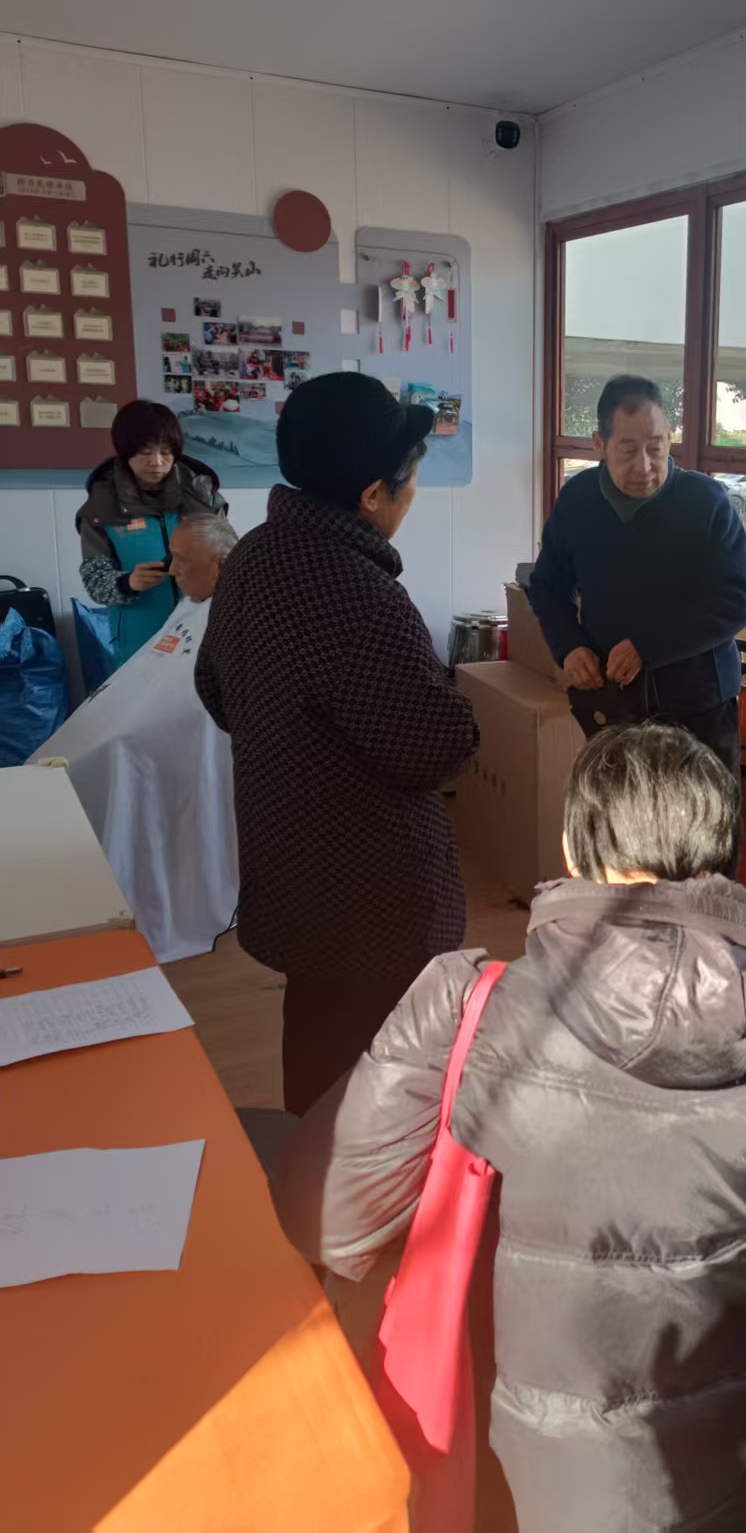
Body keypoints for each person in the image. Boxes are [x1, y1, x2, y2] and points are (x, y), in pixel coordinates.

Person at [270, 722, 746, 1533]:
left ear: (571, 846)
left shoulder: (473, 1005)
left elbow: (327, 1220)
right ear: (720, 851)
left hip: (520, 1492)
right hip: (737, 1477)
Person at [195, 374, 479, 1115]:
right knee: (385, 1083)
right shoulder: (357, 592)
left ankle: (307, 1171)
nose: (413, 496)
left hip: (291, 868)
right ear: (372, 495)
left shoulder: (254, 556)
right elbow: (440, 747)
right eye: (410, 481)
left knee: (317, 1049)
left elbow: (215, 689)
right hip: (372, 898)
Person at [527, 375, 746, 779]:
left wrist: (648, 646)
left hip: (699, 705)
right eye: (628, 449)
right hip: (614, 705)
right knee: (619, 813)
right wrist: (569, 646)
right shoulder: (579, 500)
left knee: (708, 814)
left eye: (655, 448)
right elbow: (548, 586)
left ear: (670, 438)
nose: (645, 466)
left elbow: (738, 599)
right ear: (599, 445)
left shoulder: (704, 502)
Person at [32, 513, 240, 964]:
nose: (172, 570)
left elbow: (198, 706)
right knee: (58, 761)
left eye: (182, 560)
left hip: (155, 735)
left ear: (222, 565)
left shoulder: (237, 617)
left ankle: (104, 883)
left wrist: (125, 729)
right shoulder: (192, 606)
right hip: (124, 718)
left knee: (106, 753)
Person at [76, 400, 228, 670]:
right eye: (145, 452)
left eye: (166, 452)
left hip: (204, 637)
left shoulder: (202, 496)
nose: (156, 462)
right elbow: (95, 581)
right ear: (125, 451)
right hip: (139, 643)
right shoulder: (101, 509)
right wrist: (128, 583)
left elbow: (228, 559)